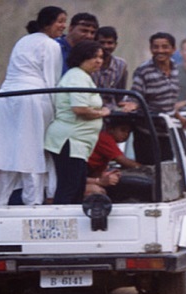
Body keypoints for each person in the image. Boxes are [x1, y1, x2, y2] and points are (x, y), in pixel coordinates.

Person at [0, 6, 66, 206]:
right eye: (60, 21)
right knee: (32, 153)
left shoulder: (22, 41)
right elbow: (51, 81)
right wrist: (56, 114)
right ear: (47, 23)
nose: (63, 26)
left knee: (5, 154)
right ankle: (33, 205)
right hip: (32, 98)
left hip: (5, 98)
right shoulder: (51, 45)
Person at [44, 40, 111, 205]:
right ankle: (62, 225)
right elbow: (80, 109)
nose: (98, 61)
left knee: (77, 187)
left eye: (101, 57)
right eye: (93, 57)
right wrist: (102, 112)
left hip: (78, 143)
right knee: (69, 188)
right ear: (82, 57)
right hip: (70, 141)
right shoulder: (77, 76)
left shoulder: (83, 77)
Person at [129, 32, 186, 164]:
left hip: (167, 131)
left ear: (173, 49)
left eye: (165, 47)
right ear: (151, 49)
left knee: (167, 170)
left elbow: (168, 100)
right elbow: (135, 97)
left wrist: (178, 116)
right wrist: (131, 105)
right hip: (147, 133)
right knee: (151, 173)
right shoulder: (143, 71)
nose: (160, 51)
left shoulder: (175, 69)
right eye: (156, 47)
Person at [84, 119, 140, 196]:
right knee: (97, 191)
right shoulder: (104, 138)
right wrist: (144, 168)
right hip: (77, 178)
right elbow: (122, 160)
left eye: (128, 132)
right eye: (122, 130)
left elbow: (97, 173)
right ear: (110, 129)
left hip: (86, 175)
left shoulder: (109, 144)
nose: (126, 134)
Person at [92, 26, 128, 110]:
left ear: (115, 45)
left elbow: (120, 93)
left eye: (110, 43)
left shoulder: (121, 64)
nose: (106, 46)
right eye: (102, 43)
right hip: (91, 107)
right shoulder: (88, 63)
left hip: (111, 109)